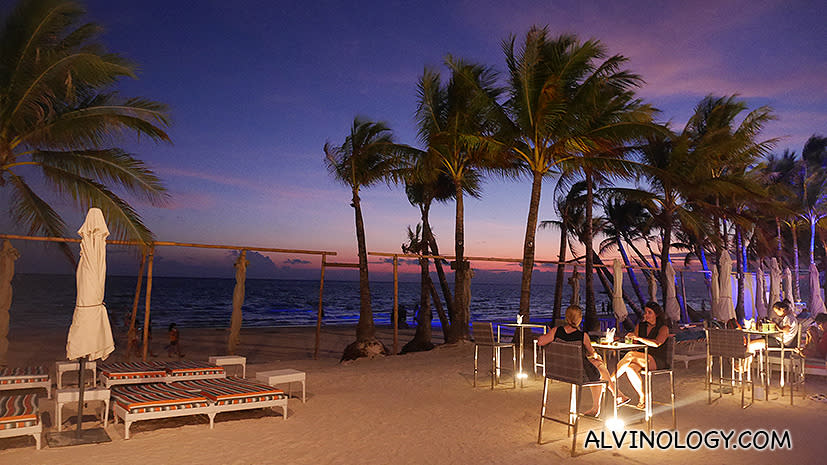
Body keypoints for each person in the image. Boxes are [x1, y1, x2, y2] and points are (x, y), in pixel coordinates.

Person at [537, 305, 614, 417]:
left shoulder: (556, 331)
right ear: (579, 319)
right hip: (578, 374)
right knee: (598, 370)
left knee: (596, 366)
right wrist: (596, 355)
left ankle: (612, 397)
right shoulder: (583, 336)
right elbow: (592, 352)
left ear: (567, 318)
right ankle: (601, 404)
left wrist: (548, 334)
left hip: (559, 372)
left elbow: (540, 342)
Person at [614, 301, 669, 409]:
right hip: (641, 358)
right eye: (645, 312)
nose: (646, 315)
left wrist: (639, 338)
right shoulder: (641, 326)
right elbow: (635, 343)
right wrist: (625, 339)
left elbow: (657, 343)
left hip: (657, 360)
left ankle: (611, 380)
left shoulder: (663, 328)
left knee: (630, 355)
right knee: (630, 368)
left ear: (656, 315)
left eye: (649, 313)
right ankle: (643, 397)